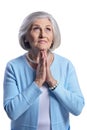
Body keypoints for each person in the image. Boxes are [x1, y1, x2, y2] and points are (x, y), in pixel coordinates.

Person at [3, 11, 85, 130]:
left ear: (53, 37)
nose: (42, 35)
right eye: (36, 29)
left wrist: (52, 82)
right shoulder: (13, 67)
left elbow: (77, 108)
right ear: (25, 37)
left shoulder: (66, 65)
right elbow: (12, 112)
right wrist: (38, 82)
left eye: (48, 29)